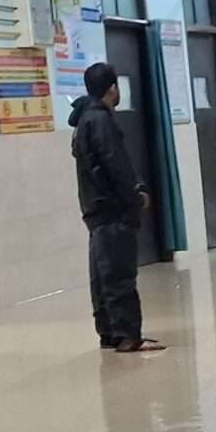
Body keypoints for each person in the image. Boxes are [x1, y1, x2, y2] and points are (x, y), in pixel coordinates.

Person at [68, 62, 163, 353]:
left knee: (103, 276)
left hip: (95, 208)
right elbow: (115, 163)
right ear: (112, 88)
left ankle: (110, 332)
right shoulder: (100, 120)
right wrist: (135, 195)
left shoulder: (84, 119)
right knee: (119, 274)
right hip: (112, 209)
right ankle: (128, 336)